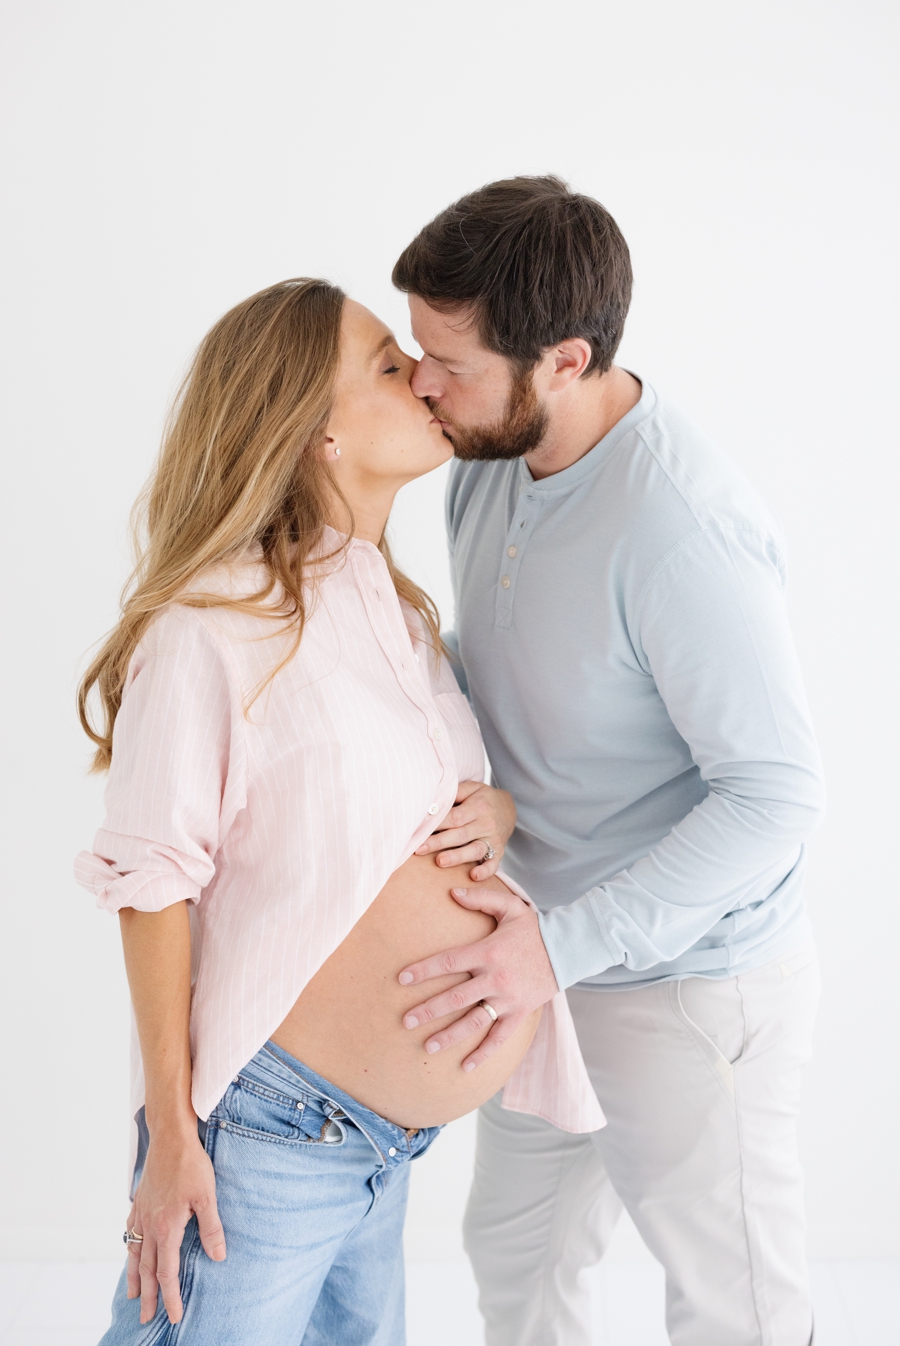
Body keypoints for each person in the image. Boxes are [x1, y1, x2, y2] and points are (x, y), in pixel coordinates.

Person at [75, 278, 599, 1346]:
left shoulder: (399, 615)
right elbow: (153, 883)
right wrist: (170, 1135)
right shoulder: (211, 624)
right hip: (267, 1137)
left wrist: (495, 811)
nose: (426, 379)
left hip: (383, 1150)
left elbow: (402, 813)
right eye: (390, 366)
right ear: (319, 430)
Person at [392, 177, 825, 1346]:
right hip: (544, 951)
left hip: (688, 981)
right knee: (517, 1256)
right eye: (419, 351)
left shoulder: (682, 527)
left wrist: (560, 945)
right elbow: (519, 666)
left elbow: (776, 794)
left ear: (565, 361)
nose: (421, 382)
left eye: (451, 364)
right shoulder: (490, 453)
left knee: (735, 1306)